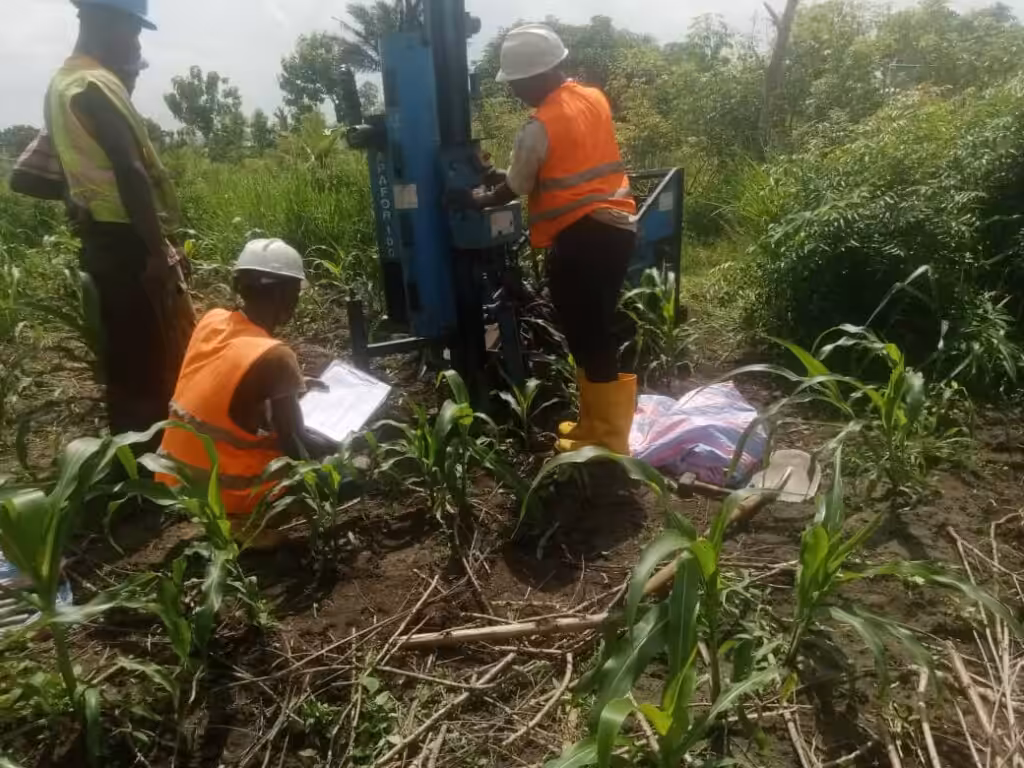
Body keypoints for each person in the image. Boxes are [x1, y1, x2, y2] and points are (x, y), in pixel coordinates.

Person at [466, 24, 638, 455]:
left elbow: (517, 187)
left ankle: (609, 438)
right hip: (616, 230)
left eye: (517, 83)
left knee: (589, 336)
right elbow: (558, 167)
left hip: (582, 239)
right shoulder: (592, 98)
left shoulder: (539, 125)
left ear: (536, 75)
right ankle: (594, 427)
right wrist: (495, 174)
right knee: (592, 333)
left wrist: (478, 199)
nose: (516, 92)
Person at [44, 0, 194, 438]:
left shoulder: (62, 84)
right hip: (126, 245)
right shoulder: (94, 85)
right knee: (143, 357)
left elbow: (56, 170)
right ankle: (145, 470)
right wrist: (155, 254)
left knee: (125, 356)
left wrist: (74, 196)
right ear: (103, 20)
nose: (135, 43)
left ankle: (133, 460)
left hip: (101, 242)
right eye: (133, 30)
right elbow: (129, 171)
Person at [157, 239, 332, 522]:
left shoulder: (212, 320)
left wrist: (290, 387)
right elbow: (296, 445)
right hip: (227, 494)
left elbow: (227, 384)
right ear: (285, 296)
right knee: (346, 471)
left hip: (174, 478)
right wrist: (343, 444)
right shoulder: (276, 356)